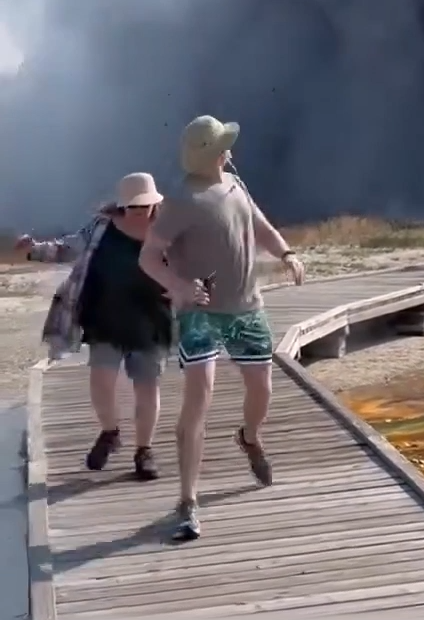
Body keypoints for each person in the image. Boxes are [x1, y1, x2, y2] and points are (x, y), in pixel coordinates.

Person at [139, 116, 304, 543]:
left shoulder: (235, 184)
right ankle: (188, 501)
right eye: (225, 144)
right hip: (202, 310)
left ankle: (249, 437)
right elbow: (149, 256)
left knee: (262, 388)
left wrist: (286, 254)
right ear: (212, 152)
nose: (231, 149)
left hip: (247, 306)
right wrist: (177, 285)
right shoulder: (181, 200)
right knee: (199, 398)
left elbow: (261, 226)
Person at [18, 173, 171, 481]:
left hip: (151, 319)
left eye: (145, 205)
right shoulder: (102, 227)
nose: (141, 211)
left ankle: (144, 451)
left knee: (147, 387)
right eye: (134, 206)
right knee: (101, 380)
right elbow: (68, 248)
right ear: (123, 205)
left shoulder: (168, 230)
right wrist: (34, 249)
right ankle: (110, 432)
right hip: (105, 317)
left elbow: (194, 261)